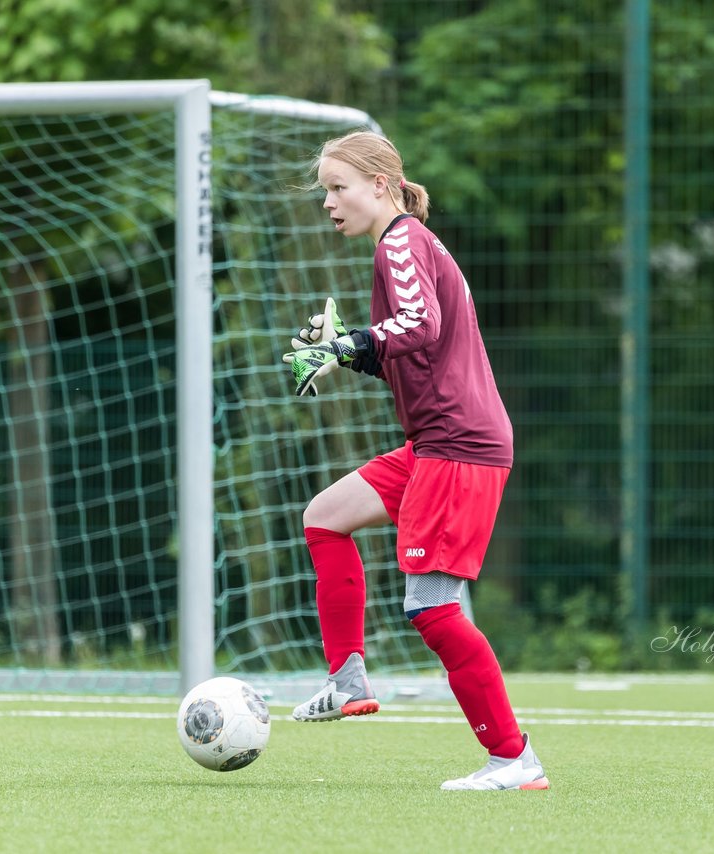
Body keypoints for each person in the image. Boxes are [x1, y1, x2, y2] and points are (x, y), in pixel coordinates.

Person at [280, 130, 549, 791]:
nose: (328, 203)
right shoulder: (403, 246)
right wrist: (345, 353)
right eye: (325, 192)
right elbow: (412, 352)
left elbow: (420, 325)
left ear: (381, 186)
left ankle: (514, 760)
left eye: (338, 188)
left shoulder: (400, 240)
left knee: (431, 609)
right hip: (438, 442)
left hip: (458, 445)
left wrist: (347, 339)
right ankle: (347, 682)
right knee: (326, 518)